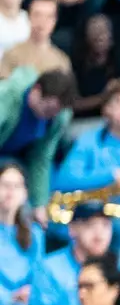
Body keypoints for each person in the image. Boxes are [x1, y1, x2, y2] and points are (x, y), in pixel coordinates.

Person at [53, 81, 120, 229]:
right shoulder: (88, 141)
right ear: (106, 109)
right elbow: (64, 181)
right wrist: (111, 177)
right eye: (119, 103)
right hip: (88, 215)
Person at [26, 201, 107, 305]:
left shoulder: (113, 270)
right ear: (72, 229)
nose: (99, 233)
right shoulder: (49, 268)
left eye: (105, 225)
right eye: (90, 225)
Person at [0, 67, 71, 209]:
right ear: (36, 90)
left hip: (18, 160)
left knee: (30, 206)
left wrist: (39, 204)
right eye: (48, 109)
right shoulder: (6, 96)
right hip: (7, 158)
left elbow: (41, 159)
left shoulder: (58, 117)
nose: (49, 116)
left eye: (55, 112)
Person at [0, 159, 41, 305]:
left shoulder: (34, 234)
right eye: (5, 185)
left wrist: (31, 292)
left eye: (17, 186)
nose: (10, 192)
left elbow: (39, 273)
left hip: (27, 301)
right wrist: (9, 297)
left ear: (25, 193)